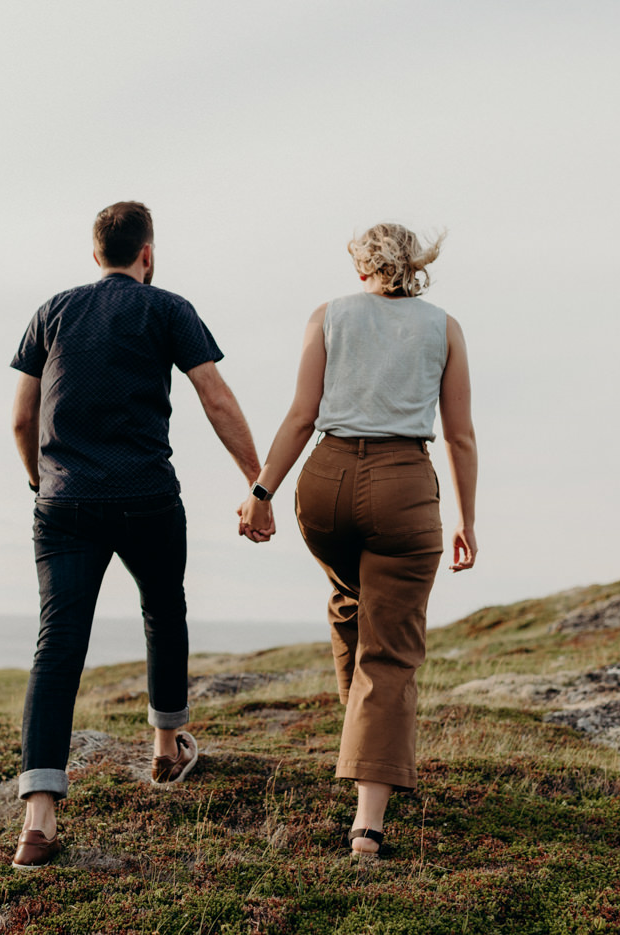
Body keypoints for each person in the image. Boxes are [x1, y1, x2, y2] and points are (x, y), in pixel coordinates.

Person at [9, 201, 265, 869]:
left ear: (97, 254)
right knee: (163, 611)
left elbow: (21, 418)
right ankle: (165, 746)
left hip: (64, 500)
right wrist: (257, 482)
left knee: (58, 641)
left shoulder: (53, 311)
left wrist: (44, 485)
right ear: (146, 254)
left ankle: (39, 816)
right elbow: (214, 393)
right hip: (148, 496)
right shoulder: (168, 308)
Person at [238, 222, 478, 857]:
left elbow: (301, 414)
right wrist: (466, 519)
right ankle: (368, 825)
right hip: (402, 485)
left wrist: (260, 494)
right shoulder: (444, 327)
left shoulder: (329, 315)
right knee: (390, 651)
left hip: (325, 483)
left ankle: (360, 738)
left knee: (351, 603)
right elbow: (458, 437)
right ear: (416, 265)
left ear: (361, 268)